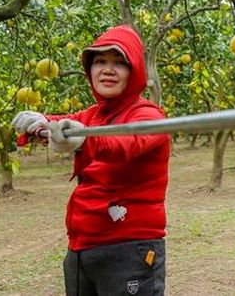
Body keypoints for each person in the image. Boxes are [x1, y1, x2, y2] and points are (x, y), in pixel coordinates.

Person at [12, 25, 170, 296]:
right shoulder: (96, 114)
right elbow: (67, 122)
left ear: (134, 72)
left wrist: (85, 140)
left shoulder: (150, 116)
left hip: (129, 248)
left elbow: (125, 143)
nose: (108, 69)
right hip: (82, 248)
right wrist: (42, 122)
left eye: (119, 62)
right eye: (100, 61)